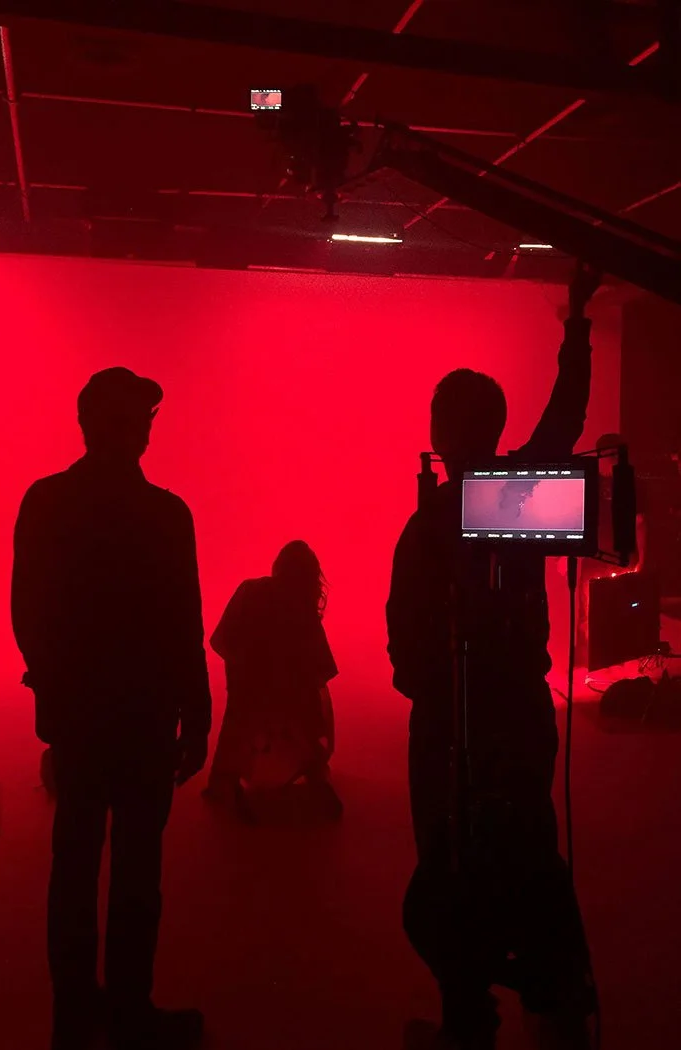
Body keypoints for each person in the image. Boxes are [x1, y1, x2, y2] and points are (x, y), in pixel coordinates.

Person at [387, 267, 601, 1050]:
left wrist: (419, 680)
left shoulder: (444, 514)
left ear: (442, 430)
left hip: (453, 717)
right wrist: (575, 322)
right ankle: (555, 1008)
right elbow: (565, 417)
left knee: (450, 864)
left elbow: (402, 633)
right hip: (512, 707)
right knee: (526, 851)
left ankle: (470, 1017)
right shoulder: (516, 491)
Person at [11, 367, 211, 1050]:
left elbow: (26, 610)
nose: (150, 429)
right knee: (135, 866)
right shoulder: (167, 514)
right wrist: (200, 712)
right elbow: (184, 620)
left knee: (73, 860)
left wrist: (50, 688)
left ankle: (73, 1013)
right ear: (128, 428)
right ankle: (129, 1008)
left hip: (79, 716)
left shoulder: (45, 502)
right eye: (144, 418)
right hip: (147, 717)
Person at [203, 541, 341, 821]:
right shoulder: (302, 609)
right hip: (291, 703)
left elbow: (220, 639)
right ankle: (315, 775)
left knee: (238, 726)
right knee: (311, 717)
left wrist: (243, 671)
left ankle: (226, 782)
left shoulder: (250, 591)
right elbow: (323, 669)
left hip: (247, 698)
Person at [575, 431, 647, 667]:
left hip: (620, 557)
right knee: (589, 612)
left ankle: (616, 659)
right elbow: (579, 519)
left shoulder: (631, 483)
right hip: (595, 558)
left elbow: (639, 522)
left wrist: (641, 559)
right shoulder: (591, 481)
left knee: (617, 610)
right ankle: (591, 660)